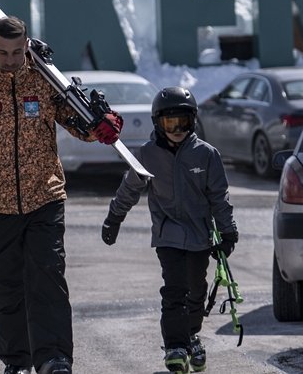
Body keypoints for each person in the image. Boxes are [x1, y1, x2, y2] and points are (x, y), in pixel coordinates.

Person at [0, 16, 123, 374]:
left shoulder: (45, 82)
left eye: (17, 52)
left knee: (48, 277)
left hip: (45, 198)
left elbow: (78, 122)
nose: (10, 59)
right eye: (3, 52)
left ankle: (54, 358)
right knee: (9, 286)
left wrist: (102, 124)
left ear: (26, 48)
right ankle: (16, 361)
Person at [100, 87, 237, 373]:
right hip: (168, 235)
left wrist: (227, 233)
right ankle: (175, 346)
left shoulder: (206, 155)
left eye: (182, 123)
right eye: (170, 124)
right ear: (158, 123)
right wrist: (114, 218)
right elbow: (129, 189)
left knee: (196, 291)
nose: (177, 130)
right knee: (175, 290)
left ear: (193, 121)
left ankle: (191, 336)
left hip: (199, 236)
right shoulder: (147, 155)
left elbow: (219, 197)